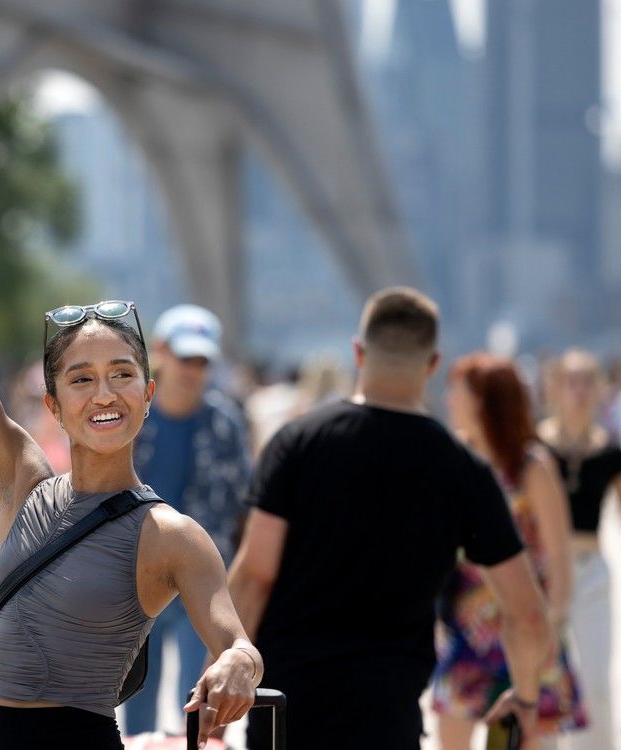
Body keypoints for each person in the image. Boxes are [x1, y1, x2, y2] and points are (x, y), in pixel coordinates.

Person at [0, 129, 263, 750]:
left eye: (123, 375)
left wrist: (236, 665)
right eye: (81, 379)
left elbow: (237, 641)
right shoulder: (21, 479)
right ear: (53, 405)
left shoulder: (170, 535)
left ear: (148, 395)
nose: (104, 394)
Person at [227, 288, 551, 750]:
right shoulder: (463, 469)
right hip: (388, 712)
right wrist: (524, 698)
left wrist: (216, 689)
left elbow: (254, 576)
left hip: (288, 707)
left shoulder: (298, 443)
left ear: (358, 352)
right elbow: (527, 615)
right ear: (433, 364)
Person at [433, 352, 585, 747]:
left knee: (514, 743)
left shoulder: (531, 466)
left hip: (527, 630)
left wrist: (552, 627)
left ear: (485, 400)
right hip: (468, 633)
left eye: (458, 391)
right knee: (450, 739)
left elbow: (559, 556)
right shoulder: (454, 461)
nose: (449, 398)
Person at [125, 304, 251, 735]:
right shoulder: (130, 419)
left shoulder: (226, 425)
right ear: (159, 352)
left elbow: (241, 506)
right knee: (136, 693)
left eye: (202, 361)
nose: (193, 370)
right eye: (185, 357)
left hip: (203, 579)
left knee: (199, 698)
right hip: (137, 575)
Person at [537, 349, 621, 750]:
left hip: (591, 572)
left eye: (588, 381)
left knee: (595, 684)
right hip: (544, 575)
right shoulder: (536, 448)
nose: (580, 392)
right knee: (542, 679)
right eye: (572, 382)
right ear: (554, 388)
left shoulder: (610, 451)